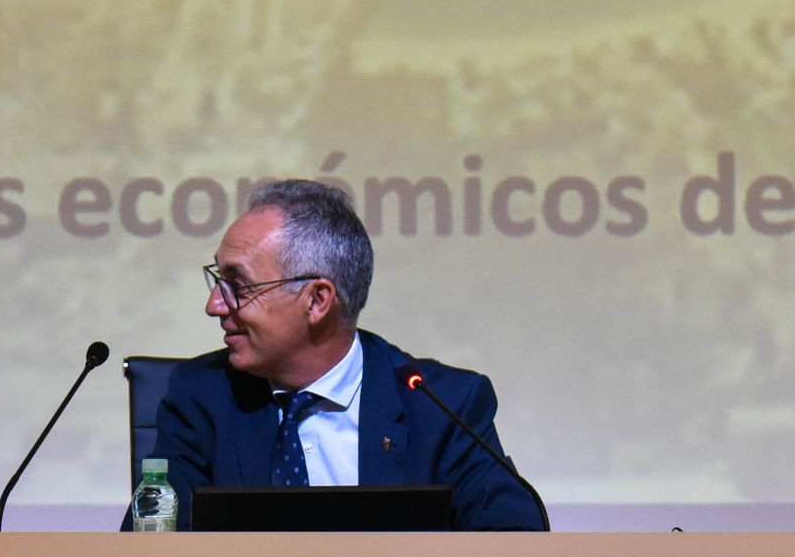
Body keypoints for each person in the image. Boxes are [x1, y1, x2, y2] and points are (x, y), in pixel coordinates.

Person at [126, 179, 544, 531]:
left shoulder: (443, 404)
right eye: (219, 279)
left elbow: (512, 540)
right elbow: (150, 550)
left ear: (317, 301)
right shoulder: (201, 396)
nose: (215, 305)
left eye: (239, 284)